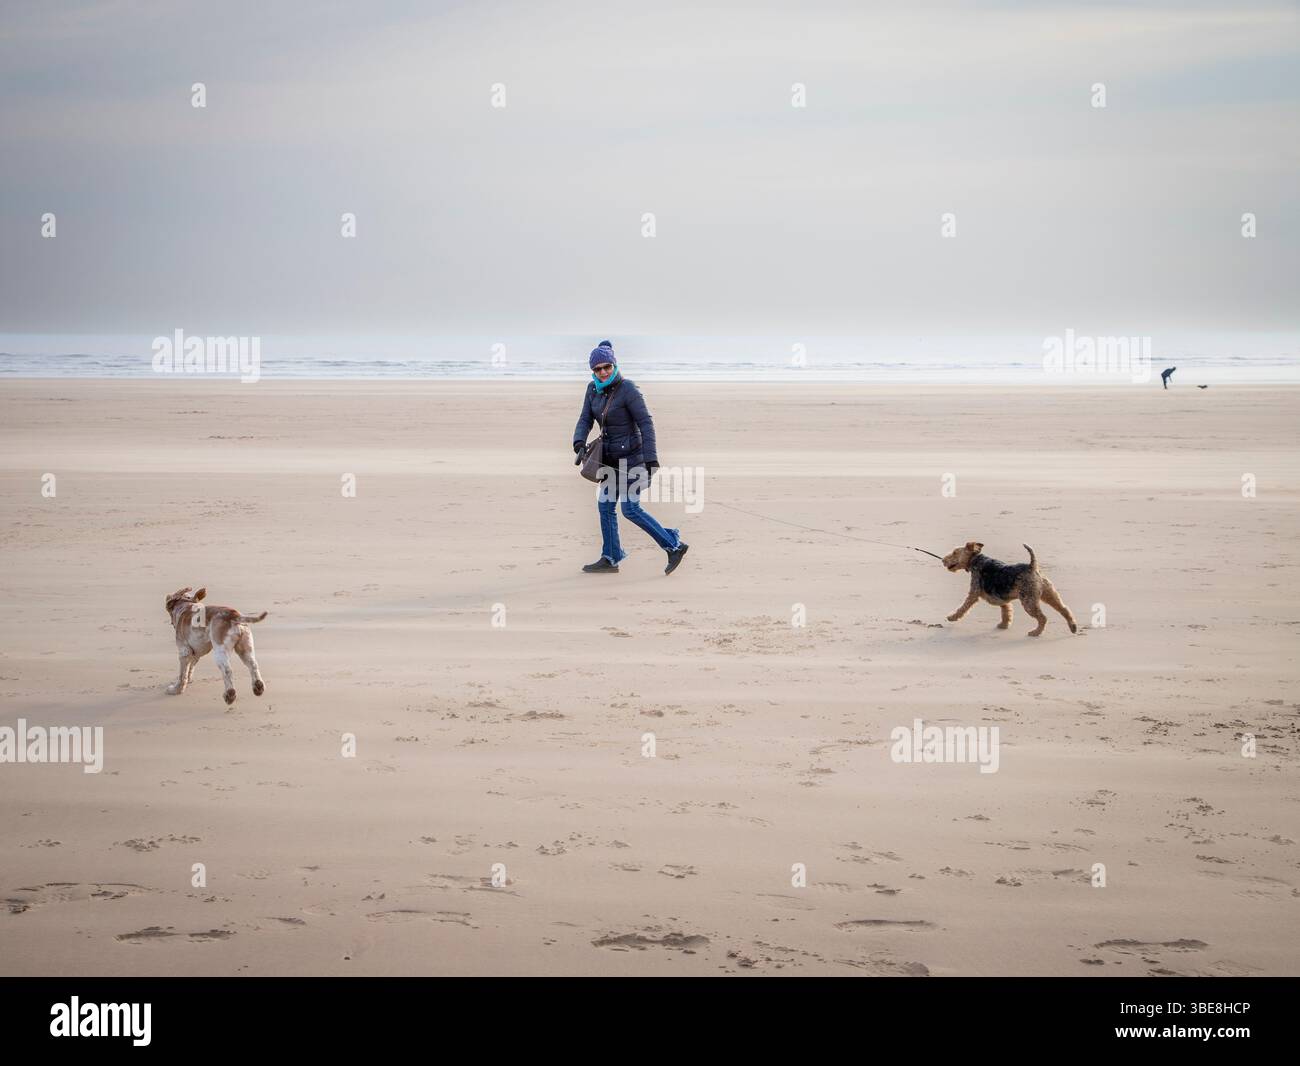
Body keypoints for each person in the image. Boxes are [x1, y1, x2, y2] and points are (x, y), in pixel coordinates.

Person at [572, 341, 689, 575]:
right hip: (609, 461)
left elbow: (646, 423)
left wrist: (651, 458)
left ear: (614, 365)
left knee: (630, 509)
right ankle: (611, 557)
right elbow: (585, 418)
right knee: (605, 506)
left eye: (607, 367)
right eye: (598, 369)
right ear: (592, 371)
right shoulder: (592, 390)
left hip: (634, 460)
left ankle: (673, 545)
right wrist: (578, 442)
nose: (603, 372)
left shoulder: (628, 390)